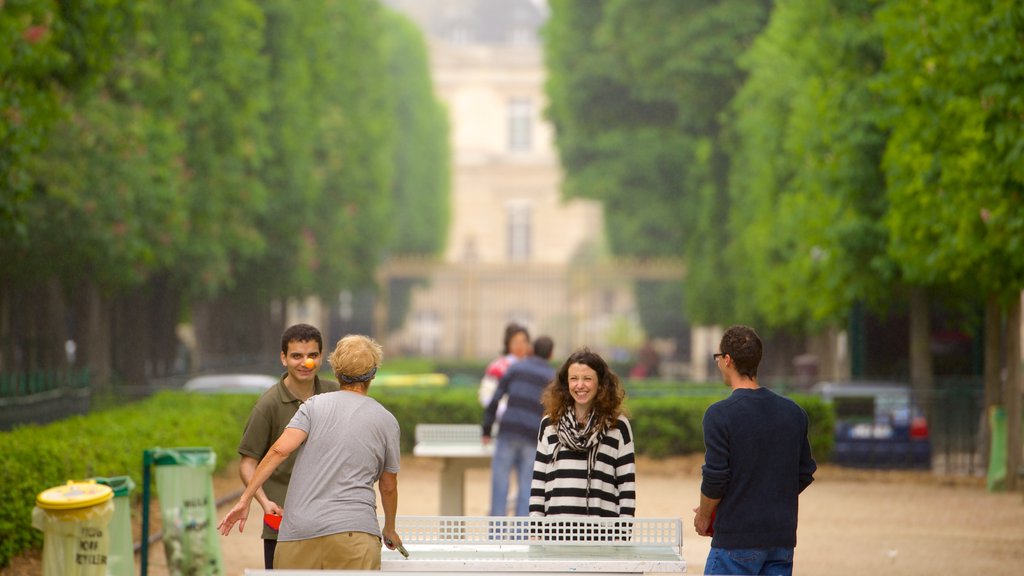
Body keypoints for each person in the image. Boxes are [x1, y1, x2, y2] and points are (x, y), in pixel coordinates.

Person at [219, 334, 403, 570]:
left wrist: (245, 500)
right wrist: (389, 528)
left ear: (335, 370)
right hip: (354, 533)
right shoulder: (386, 420)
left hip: (298, 532)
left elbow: (278, 451)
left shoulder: (313, 406)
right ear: (374, 374)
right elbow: (388, 486)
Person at [693, 325, 816, 576]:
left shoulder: (719, 415)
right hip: (781, 539)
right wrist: (767, 496)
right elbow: (804, 472)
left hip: (736, 540)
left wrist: (705, 515)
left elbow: (716, 478)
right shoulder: (793, 412)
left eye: (718, 358)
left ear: (727, 360)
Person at [236, 323, 339, 568]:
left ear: (321, 357)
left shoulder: (335, 394)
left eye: (312, 355)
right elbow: (248, 464)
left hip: (329, 521)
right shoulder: (268, 405)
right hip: (281, 521)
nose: (305, 363)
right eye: (296, 356)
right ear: (283, 358)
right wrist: (263, 502)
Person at [529, 348, 636, 518]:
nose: (580, 385)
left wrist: (622, 534)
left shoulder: (618, 426)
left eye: (587, 379)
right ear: (566, 384)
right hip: (555, 533)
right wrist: (535, 529)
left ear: (601, 383)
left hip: (602, 534)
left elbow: (627, 485)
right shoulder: (549, 424)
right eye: (574, 379)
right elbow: (539, 481)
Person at [483, 335, 555, 516]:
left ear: (531, 350)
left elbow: (496, 398)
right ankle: (521, 539)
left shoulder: (515, 368)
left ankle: (496, 538)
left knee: (500, 486)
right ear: (551, 354)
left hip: (508, 430)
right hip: (533, 435)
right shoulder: (552, 377)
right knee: (527, 489)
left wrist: (486, 429)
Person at [478, 323, 531, 423]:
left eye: (523, 341)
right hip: (504, 423)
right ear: (508, 343)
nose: (520, 346)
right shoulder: (497, 367)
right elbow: (485, 396)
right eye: (515, 342)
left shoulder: (533, 366)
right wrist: (504, 412)